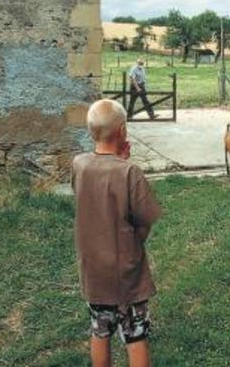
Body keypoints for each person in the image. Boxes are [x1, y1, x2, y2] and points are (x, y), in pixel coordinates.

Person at [72, 99, 161, 367]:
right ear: (122, 131)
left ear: (91, 132)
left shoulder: (79, 165)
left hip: (94, 273)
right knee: (135, 336)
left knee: (100, 332)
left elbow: (95, 191)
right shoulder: (130, 172)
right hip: (127, 274)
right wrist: (123, 162)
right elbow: (145, 220)